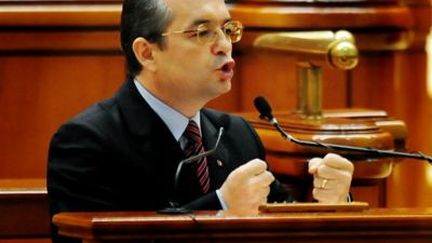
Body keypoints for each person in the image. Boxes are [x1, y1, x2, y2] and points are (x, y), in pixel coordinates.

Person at [47, 0, 354, 242]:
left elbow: (281, 227)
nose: (224, 45)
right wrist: (220, 207)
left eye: (227, 29)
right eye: (202, 32)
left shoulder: (236, 134)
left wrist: (332, 205)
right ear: (147, 53)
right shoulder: (88, 141)